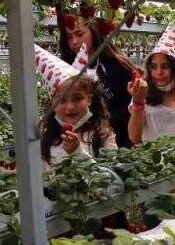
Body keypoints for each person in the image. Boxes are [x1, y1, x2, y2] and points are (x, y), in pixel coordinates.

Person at [58, 17, 139, 147]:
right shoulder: (64, 69)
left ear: (94, 32)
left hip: (119, 143)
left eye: (79, 34)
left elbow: (133, 105)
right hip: (75, 142)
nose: (74, 41)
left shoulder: (117, 65)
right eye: (69, 37)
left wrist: (104, 120)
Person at [36, 46, 117, 166]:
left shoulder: (102, 136)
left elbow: (111, 179)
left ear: (89, 98)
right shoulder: (46, 138)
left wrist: (78, 153)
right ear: (52, 103)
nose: (70, 107)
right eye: (61, 100)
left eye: (77, 98)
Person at [128, 23, 175, 144]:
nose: (158, 72)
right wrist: (138, 103)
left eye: (165, 67)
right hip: (153, 162)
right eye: (153, 67)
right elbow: (134, 138)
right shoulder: (143, 99)